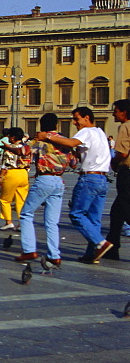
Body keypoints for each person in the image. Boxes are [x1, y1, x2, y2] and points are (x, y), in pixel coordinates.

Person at [34, 106, 112, 263]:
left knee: (76, 214)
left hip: (89, 178)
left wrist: (47, 136)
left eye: (76, 119)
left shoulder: (86, 131)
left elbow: (71, 143)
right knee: (94, 218)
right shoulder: (100, 132)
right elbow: (82, 151)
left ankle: (100, 243)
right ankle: (92, 254)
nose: (75, 123)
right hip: (103, 179)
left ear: (87, 118)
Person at [14, 112, 72, 267]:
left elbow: (23, 152)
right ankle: (54, 255)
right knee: (52, 222)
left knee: (26, 214)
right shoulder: (64, 140)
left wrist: (10, 146)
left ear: (41, 125)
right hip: (59, 181)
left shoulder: (40, 140)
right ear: (56, 125)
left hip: (44, 179)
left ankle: (29, 249)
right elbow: (73, 161)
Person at [97, 99, 130, 262]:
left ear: (124, 112)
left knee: (125, 207)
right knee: (117, 212)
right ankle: (112, 247)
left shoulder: (125, 126)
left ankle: (112, 247)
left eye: (116, 111)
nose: (113, 113)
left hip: (127, 172)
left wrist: (112, 163)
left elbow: (123, 153)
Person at [0, 127, 31, 231]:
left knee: (5, 199)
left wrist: (0, 177)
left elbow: (5, 165)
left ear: (13, 137)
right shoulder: (26, 149)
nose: (8, 138)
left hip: (11, 173)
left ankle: (9, 222)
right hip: (24, 174)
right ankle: (21, 223)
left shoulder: (10, 149)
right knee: (21, 200)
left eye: (9, 136)